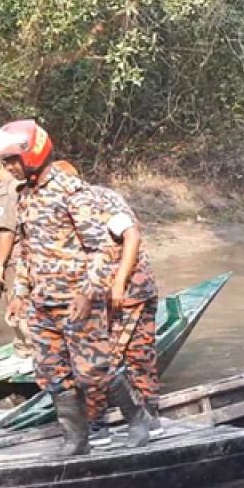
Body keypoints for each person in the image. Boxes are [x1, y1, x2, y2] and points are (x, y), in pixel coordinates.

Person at [0, 120, 152, 456]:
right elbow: (27, 249)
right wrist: (20, 294)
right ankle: (76, 440)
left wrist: (89, 293)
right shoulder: (25, 195)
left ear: (33, 154)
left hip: (77, 300)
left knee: (94, 372)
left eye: (13, 160)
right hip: (42, 302)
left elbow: (101, 248)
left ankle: (137, 416)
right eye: (7, 162)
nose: (9, 167)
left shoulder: (71, 192)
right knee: (52, 375)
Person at [83, 184, 162, 443]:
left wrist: (118, 283)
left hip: (126, 293)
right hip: (125, 291)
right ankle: (148, 416)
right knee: (136, 356)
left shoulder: (94, 200)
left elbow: (132, 235)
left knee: (101, 358)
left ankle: (99, 425)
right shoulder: (78, 199)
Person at [0, 156, 33, 357]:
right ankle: (23, 347)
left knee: (18, 304)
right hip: (9, 255)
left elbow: (7, 232)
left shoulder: (9, 191)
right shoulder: (7, 189)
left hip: (12, 257)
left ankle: (28, 352)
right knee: (14, 305)